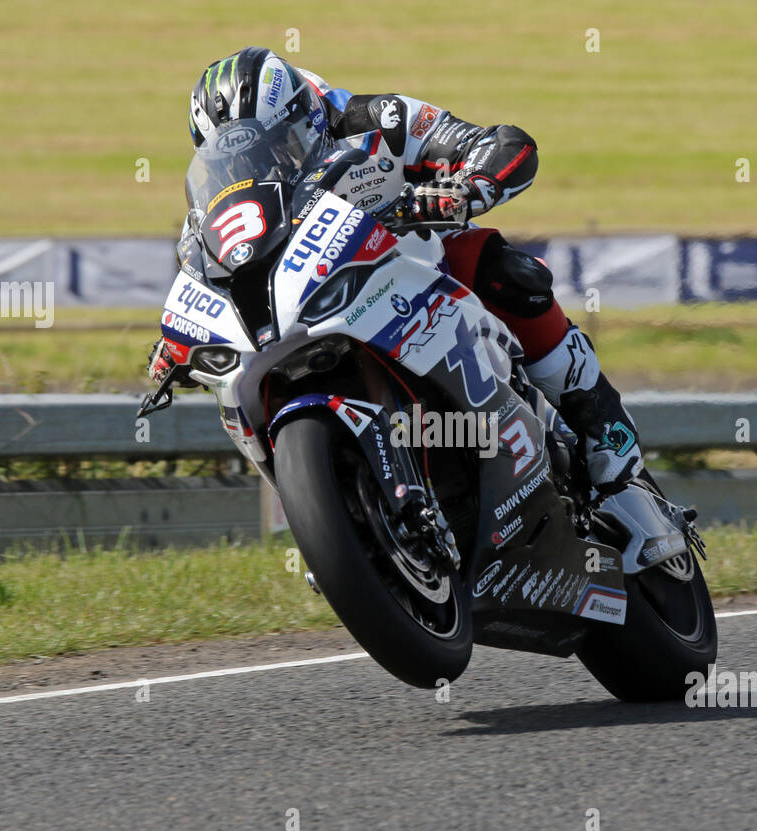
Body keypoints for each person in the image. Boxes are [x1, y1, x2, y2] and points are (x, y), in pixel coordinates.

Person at [185, 47, 642, 495]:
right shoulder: (213, 210)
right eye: (234, 158)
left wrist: (465, 189)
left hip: (409, 271)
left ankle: (599, 421)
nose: (268, 161)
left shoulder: (378, 120)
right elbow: (199, 271)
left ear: (309, 114)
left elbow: (502, 145)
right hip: (299, 310)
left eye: (281, 140)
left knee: (495, 265)